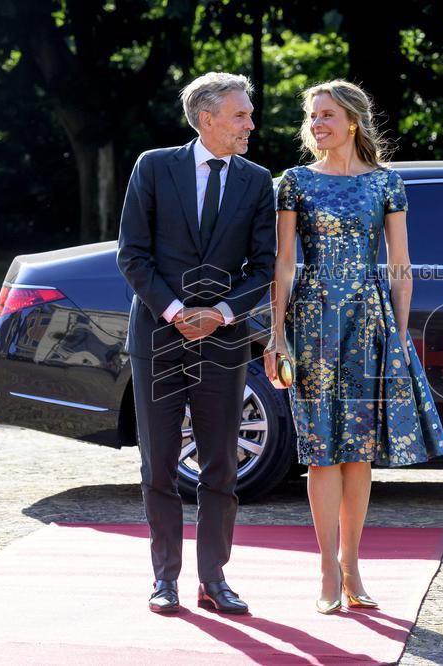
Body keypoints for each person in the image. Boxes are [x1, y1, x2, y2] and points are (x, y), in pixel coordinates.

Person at [264, 80, 443, 614]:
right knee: (321, 451)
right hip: (313, 320)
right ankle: (325, 569)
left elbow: (400, 267)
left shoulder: (387, 183)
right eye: (312, 116)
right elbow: (283, 263)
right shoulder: (294, 182)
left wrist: (398, 331)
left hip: (369, 322)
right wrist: (277, 334)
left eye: (326, 115)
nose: (316, 124)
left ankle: (353, 567)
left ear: (352, 121)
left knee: (359, 454)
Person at [117, 72, 276, 615]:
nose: (251, 124)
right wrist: (178, 311)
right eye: (241, 115)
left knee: (220, 467)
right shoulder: (154, 166)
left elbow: (266, 266)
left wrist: (222, 313)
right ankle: (165, 580)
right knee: (158, 464)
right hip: (158, 337)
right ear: (207, 118)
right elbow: (132, 255)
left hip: (225, 342)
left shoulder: (258, 181)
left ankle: (215, 579)